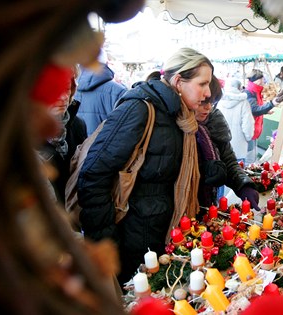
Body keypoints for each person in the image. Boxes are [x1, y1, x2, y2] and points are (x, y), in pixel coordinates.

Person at [77, 47, 213, 288]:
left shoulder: (181, 119)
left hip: (161, 236)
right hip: (130, 241)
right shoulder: (139, 109)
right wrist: (106, 241)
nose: (208, 92)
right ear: (179, 81)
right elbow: (94, 173)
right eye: (203, 84)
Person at [194, 76, 260, 210]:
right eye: (202, 102)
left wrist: (243, 185)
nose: (208, 108)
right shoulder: (176, 127)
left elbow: (228, 160)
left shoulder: (213, 119)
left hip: (206, 202)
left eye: (211, 102)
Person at [38, 68, 87, 204]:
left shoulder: (78, 125)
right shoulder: (27, 134)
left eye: (66, 89)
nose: (63, 97)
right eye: (54, 91)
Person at [74, 55, 127, 135]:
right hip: (104, 145)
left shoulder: (70, 88)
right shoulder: (119, 91)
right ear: (106, 64)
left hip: (76, 146)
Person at [245, 69, 283, 164]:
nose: (264, 81)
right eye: (263, 79)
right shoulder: (250, 92)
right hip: (250, 129)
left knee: (252, 154)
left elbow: (254, 109)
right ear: (258, 80)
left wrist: (265, 111)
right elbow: (254, 110)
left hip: (254, 129)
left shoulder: (255, 91)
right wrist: (271, 104)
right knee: (249, 157)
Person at [217, 79, 254, 163]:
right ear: (239, 87)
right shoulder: (244, 103)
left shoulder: (220, 102)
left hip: (222, 147)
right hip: (239, 147)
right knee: (238, 172)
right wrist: (248, 138)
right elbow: (248, 125)